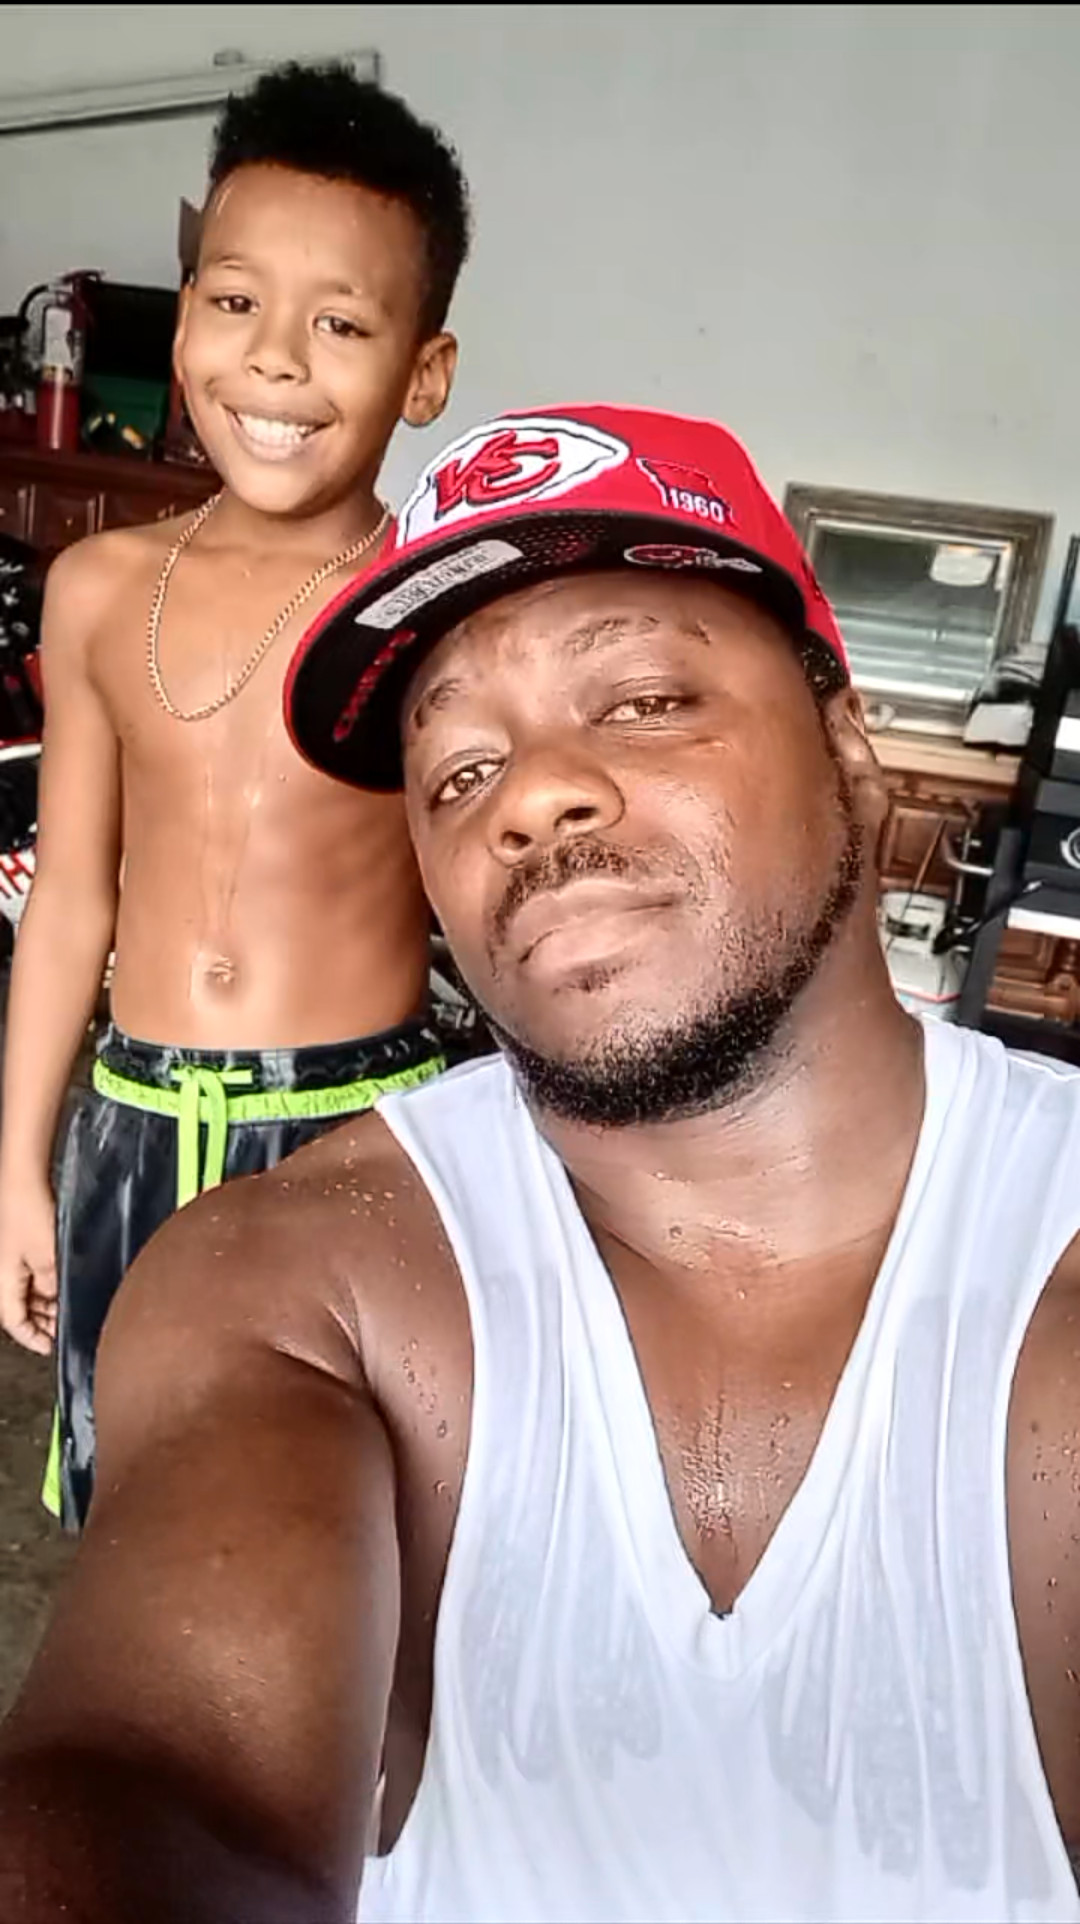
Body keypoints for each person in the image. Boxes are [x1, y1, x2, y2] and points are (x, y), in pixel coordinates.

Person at [2, 403, 1079, 1924]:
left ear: (848, 749)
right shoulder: (298, 1283)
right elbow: (155, 1789)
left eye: (640, 700)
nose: (528, 797)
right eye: (457, 773)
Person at [0, 62, 471, 1529]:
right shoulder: (99, 589)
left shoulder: (439, 606)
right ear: (184, 314)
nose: (274, 362)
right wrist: (17, 1165)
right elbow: (69, 899)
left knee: (337, 1526)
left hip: (354, 1132)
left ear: (425, 373)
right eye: (236, 300)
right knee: (134, 1509)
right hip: (130, 1118)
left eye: (341, 324)